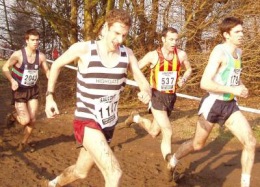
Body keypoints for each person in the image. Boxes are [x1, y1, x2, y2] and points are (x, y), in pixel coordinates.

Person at [44, 9, 151, 187]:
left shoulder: (127, 54)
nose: (120, 40)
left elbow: (141, 79)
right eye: (116, 33)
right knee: (114, 172)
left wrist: (145, 91)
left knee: (81, 171)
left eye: (124, 35)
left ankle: (54, 184)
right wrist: (49, 96)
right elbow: (56, 65)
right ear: (105, 29)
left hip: (107, 124)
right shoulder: (84, 49)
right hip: (86, 120)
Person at [169, 17, 256, 187]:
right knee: (198, 144)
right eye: (237, 32)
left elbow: (232, 78)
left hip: (230, 105)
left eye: (242, 31)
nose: (242, 34)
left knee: (250, 142)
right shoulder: (219, 52)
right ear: (226, 35)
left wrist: (241, 86)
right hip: (213, 104)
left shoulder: (239, 53)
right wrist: (233, 90)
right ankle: (173, 159)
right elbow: (205, 83)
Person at [124, 27, 192, 180]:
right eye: (171, 39)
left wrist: (183, 79)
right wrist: (142, 88)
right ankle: (170, 162)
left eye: (176, 39)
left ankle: (136, 118)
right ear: (163, 39)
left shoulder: (181, 55)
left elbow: (189, 69)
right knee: (167, 130)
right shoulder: (153, 56)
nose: (174, 43)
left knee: (155, 132)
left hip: (170, 98)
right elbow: (134, 69)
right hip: (156, 96)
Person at [2, 28, 50, 152]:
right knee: (25, 120)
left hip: (33, 90)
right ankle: (13, 116)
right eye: (33, 40)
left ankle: (24, 143)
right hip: (20, 90)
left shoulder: (41, 56)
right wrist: (12, 81)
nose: (36, 42)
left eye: (37, 40)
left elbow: (47, 72)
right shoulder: (18, 55)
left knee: (33, 119)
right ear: (27, 40)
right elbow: (5, 68)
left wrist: (52, 76)